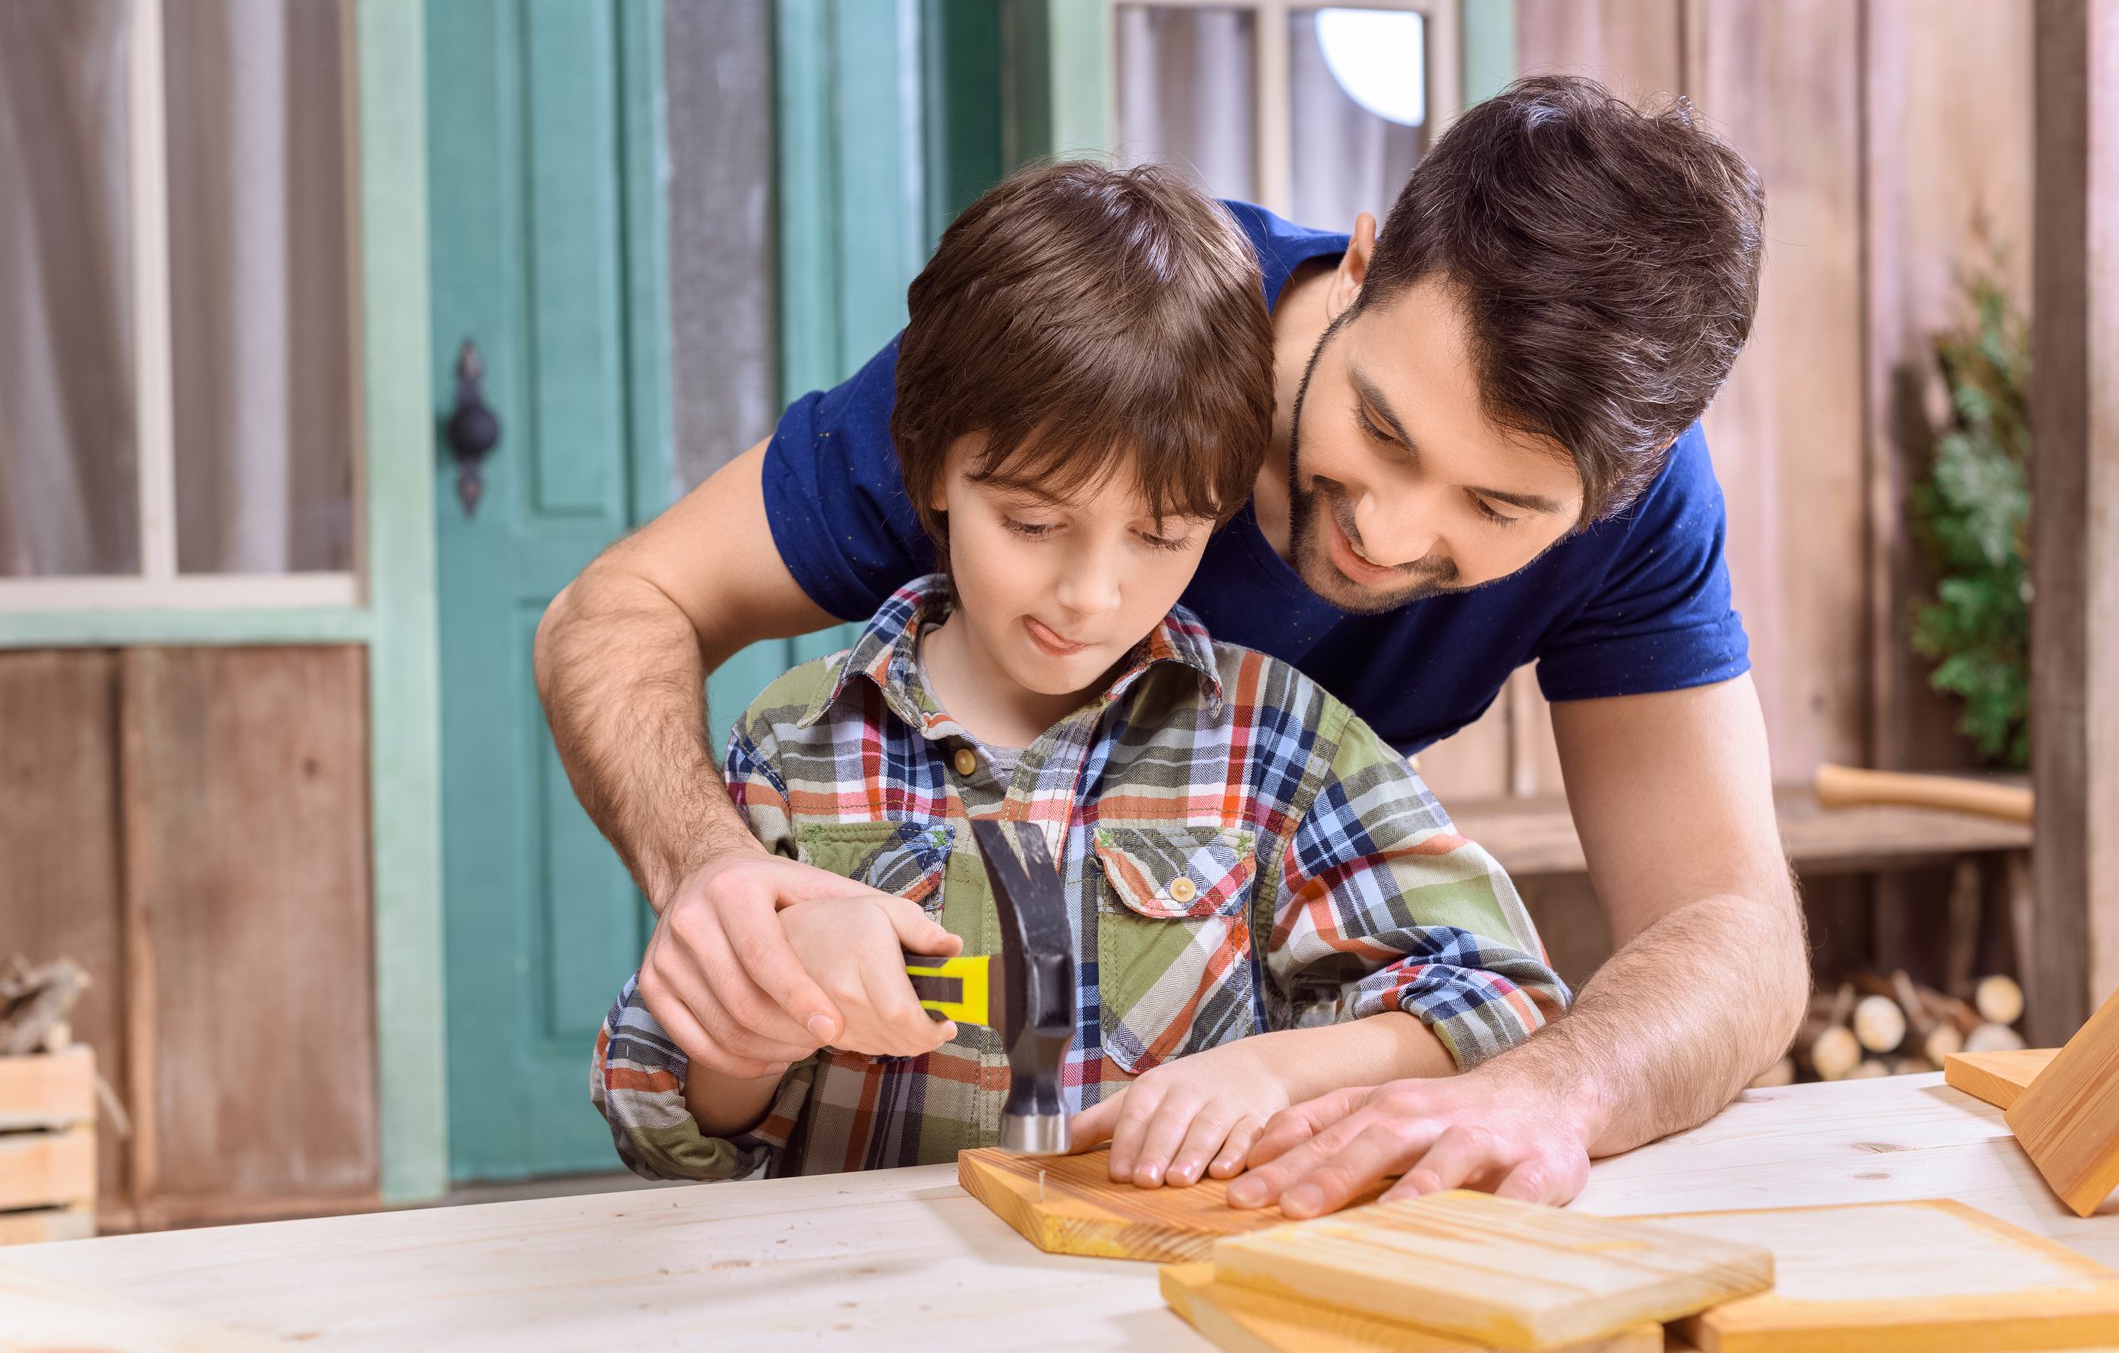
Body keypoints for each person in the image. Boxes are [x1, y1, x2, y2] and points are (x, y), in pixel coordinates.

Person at [539, 75, 1807, 1212]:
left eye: (1497, 509)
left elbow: (1732, 933)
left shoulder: (1627, 515)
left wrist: (1550, 1090)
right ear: (1361, 266)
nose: (1385, 529)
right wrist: (724, 889)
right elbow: (618, 608)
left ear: (1615, 494)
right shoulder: (1106, 358)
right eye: (1383, 429)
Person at [590, 162, 1567, 1185]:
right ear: (929, 472)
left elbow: (1501, 1002)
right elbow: (660, 1116)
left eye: (1159, 534)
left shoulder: (1281, 747)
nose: (1090, 595)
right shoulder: (798, 743)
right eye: (1032, 524)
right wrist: (769, 1005)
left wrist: (1276, 1071)